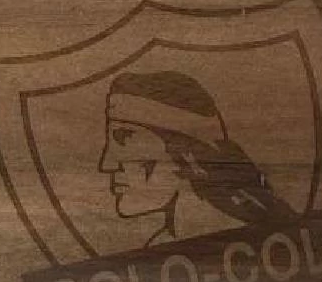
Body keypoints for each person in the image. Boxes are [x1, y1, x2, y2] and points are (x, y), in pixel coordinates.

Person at [98, 70, 294, 246]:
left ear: (186, 151)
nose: (106, 164)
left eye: (124, 137)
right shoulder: (163, 248)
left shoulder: (254, 241)